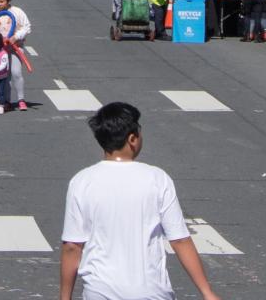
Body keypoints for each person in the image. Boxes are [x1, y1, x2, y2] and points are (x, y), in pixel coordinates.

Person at [60, 102, 222, 300]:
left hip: (99, 290)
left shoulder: (82, 181)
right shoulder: (157, 178)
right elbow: (180, 240)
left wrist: (64, 296)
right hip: (150, 291)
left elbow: (72, 246)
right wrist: (207, 292)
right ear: (132, 139)